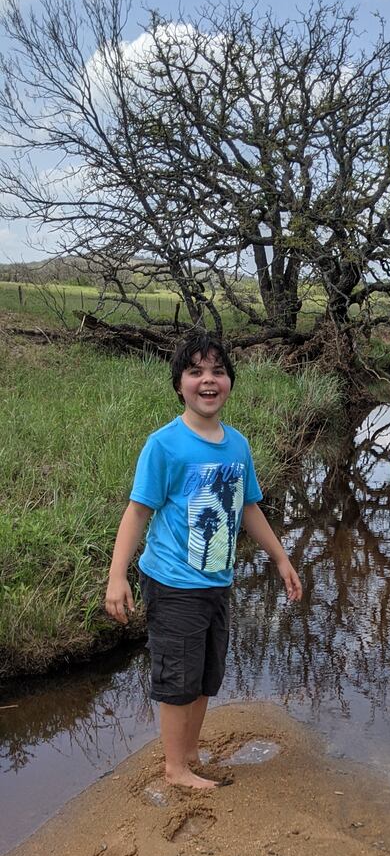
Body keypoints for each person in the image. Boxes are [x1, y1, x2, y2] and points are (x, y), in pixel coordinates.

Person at [105, 328, 302, 790]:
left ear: (230, 381)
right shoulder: (164, 445)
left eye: (217, 371)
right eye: (196, 372)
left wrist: (280, 559)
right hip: (172, 582)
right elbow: (137, 511)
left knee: (206, 671)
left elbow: (248, 506)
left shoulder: (237, 444)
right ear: (180, 384)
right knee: (177, 675)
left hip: (217, 580)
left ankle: (190, 751)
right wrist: (118, 576)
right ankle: (175, 769)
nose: (207, 381)